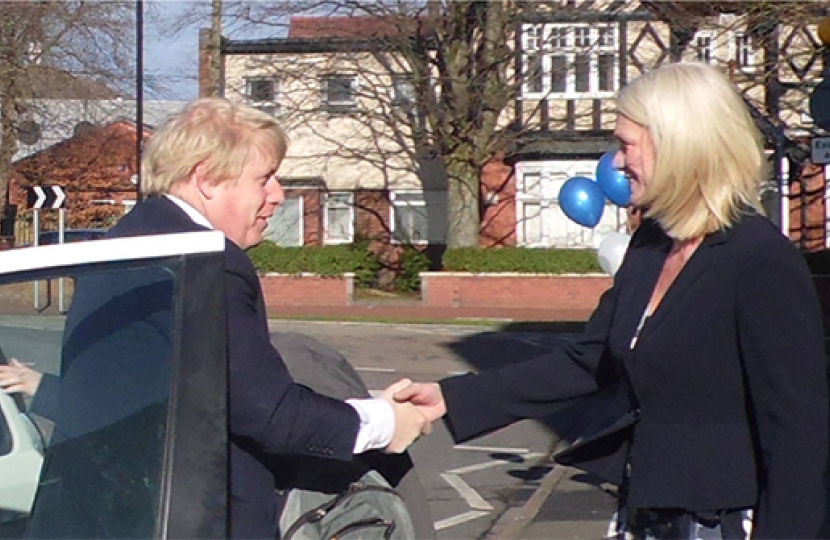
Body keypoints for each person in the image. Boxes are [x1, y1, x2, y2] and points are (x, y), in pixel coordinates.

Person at [395, 62, 829, 540]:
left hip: (724, 521)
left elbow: (798, 432)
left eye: (626, 145)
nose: (616, 164)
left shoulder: (759, 261)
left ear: (680, 146)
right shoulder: (651, 246)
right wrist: (452, 398)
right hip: (649, 511)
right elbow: (591, 360)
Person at [13, 97, 431, 540]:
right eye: (265, 177)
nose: (278, 195)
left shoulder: (128, 245)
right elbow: (268, 414)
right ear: (207, 178)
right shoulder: (202, 263)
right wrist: (385, 422)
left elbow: (189, 393)